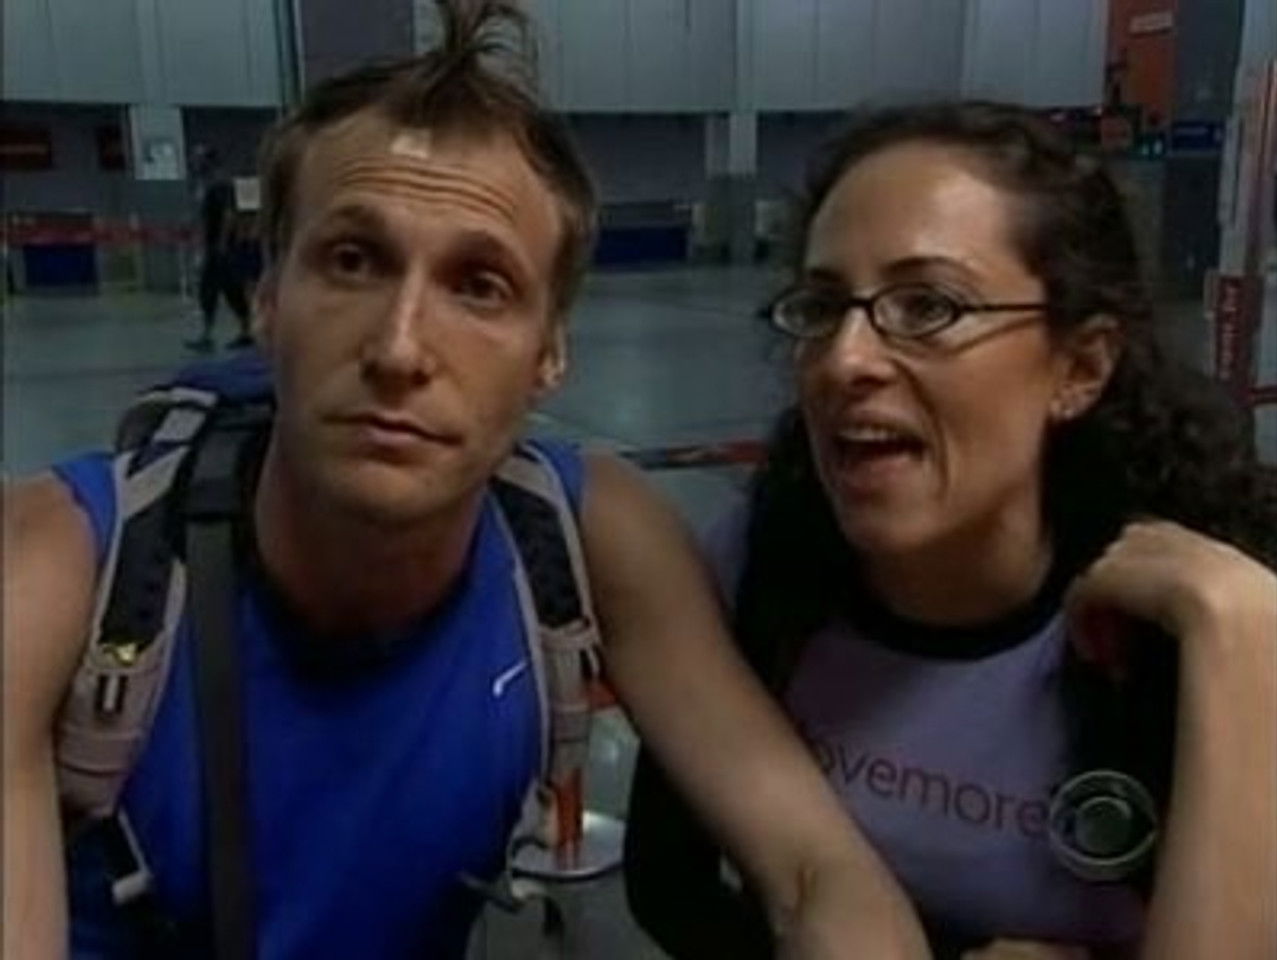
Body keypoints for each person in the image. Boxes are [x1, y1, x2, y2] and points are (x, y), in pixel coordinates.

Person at [2, 3, 930, 958]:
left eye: (480, 286)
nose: (401, 349)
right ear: (269, 300)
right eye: (353, 261)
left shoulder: (587, 536)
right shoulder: (58, 565)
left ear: (549, 354)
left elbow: (818, 874)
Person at [625, 101, 1277, 960]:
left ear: (1079, 367)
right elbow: (671, 886)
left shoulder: (1201, 619)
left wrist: (1244, 633)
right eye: (823, 307)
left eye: (928, 306)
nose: (845, 359)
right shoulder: (763, 564)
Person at [188, 146, 253, 352]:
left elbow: (229, 215)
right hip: (214, 247)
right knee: (211, 290)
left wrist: (222, 244)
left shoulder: (220, 184)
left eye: (199, 159)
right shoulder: (207, 185)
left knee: (229, 289)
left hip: (221, 248)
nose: (195, 164)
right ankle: (209, 333)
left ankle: (246, 330)